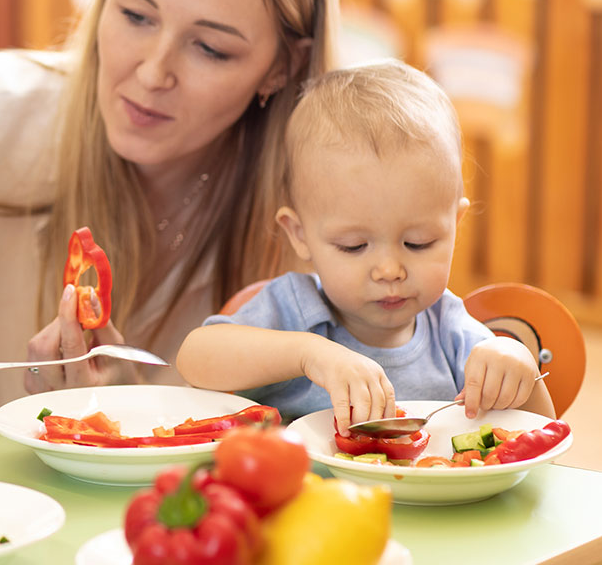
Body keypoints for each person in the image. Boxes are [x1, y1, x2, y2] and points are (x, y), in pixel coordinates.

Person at [0, 0, 342, 442]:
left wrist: (143, 426)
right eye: (136, 15)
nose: (154, 72)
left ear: (283, 66)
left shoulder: (325, 228)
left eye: (209, 48)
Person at [176, 60, 555, 435]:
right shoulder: (294, 309)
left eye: (417, 243)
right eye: (354, 246)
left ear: (454, 226)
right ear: (300, 234)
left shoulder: (451, 330)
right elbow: (194, 357)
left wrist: (517, 366)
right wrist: (310, 356)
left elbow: (542, 432)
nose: (389, 270)